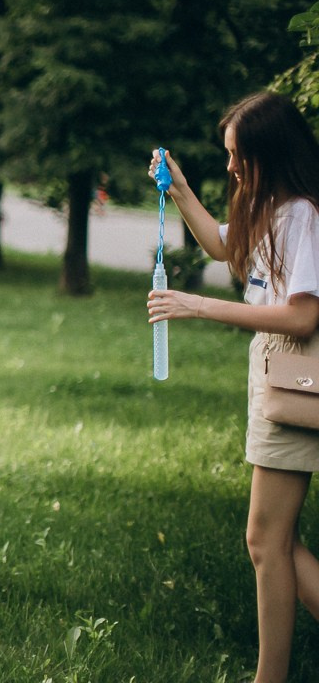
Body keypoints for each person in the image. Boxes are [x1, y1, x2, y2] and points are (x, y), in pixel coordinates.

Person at [147, 91, 319, 683]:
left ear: (268, 153)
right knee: (271, 541)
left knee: (266, 541)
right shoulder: (270, 209)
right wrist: (181, 190)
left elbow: (301, 317)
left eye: (237, 155)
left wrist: (197, 305)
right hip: (277, 370)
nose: (231, 166)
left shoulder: (302, 214)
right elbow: (225, 248)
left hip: (297, 370)